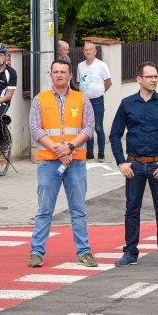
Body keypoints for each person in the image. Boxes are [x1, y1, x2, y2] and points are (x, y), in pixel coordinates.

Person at [110, 62, 158, 268]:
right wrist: (121, 162)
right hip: (134, 166)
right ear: (139, 79)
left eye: (156, 76)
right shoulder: (127, 104)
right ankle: (130, 252)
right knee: (132, 210)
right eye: (150, 76)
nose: (154, 80)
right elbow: (115, 134)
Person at [27, 59, 98, 268]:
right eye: (56, 72)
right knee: (44, 210)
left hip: (75, 163)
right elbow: (35, 130)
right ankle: (36, 252)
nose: (59, 75)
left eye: (63, 72)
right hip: (49, 164)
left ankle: (84, 252)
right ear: (50, 75)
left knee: (78, 210)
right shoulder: (40, 100)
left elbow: (89, 128)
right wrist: (57, 150)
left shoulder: (81, 99)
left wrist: (69, 147)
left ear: (70, 76)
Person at [76, 41, 112, 162]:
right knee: (87, 127)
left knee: (98, 127)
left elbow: (108, 82)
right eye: (86, 50)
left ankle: (101, 153)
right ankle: (89, 153)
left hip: (97, 101)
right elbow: (78, 82)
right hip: (85, 101)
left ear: (95, 51)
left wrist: (99, 92)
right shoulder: (80, 66)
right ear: (83, 52)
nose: (88, 52)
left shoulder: (101, 65)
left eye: (90, 49)